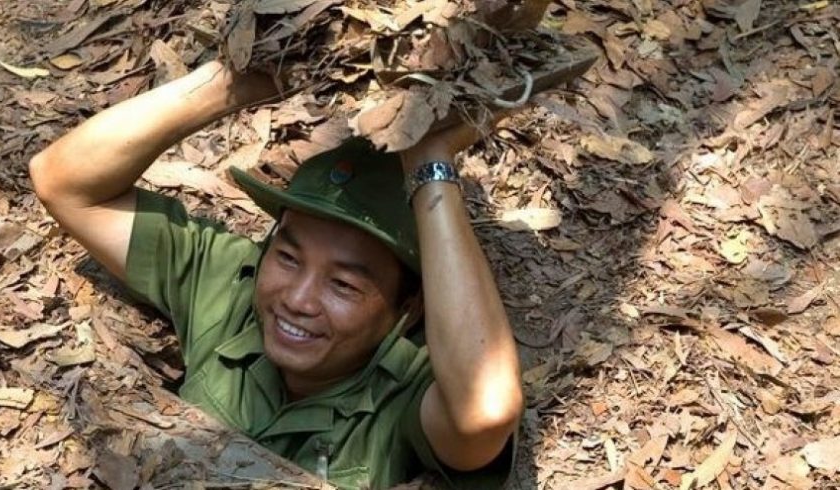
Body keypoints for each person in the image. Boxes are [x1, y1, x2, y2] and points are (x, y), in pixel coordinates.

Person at [29, 60, 524, 489]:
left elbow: (486, 410)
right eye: (288, 257)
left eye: (344, 285)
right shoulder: (230, 286)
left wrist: (429, 159)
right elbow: (64, 182)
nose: (298, 299)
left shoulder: (405, 393)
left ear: (409, 306)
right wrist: (243, 78)